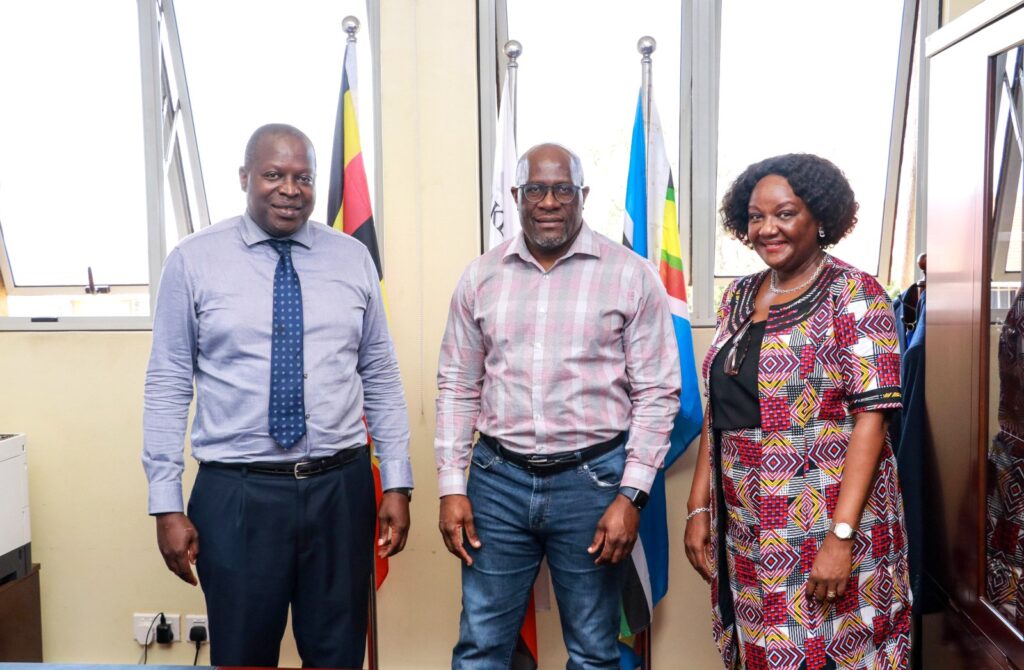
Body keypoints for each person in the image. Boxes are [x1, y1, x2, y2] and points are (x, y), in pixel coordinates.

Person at [142, 123, 412, 668]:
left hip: (340, 489)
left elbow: (379, 370)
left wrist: (398, 480)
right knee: (243, 656)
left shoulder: (352, 258)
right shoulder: (193, 260)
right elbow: (168, 382)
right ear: (245, 177)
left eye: (303, 177)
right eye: (273, 175)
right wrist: (165, 501)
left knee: (337, 656)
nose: (290, 189)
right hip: (237, 494)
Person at [435, 143, 681, 670]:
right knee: (480, 646)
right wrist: (452, 487)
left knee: (594, 651)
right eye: (536, 189)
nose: (549, 201)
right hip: (496, 483)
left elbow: (658, 393)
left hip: (593, 485)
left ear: (583, 196)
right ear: (516, 195)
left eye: (562, 189)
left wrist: (631, 497)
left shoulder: (630, 275)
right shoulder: (480, 277)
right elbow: (457, 385)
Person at [684, 154, 911, 669]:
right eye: (756, 217)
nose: (768, 229)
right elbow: (717, 413)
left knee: (837, 651)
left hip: (826, 518)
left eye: (785, 214)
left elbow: (872, 421)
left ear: (820, 217)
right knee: (763, 651)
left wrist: (841, 537)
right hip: (746, 523)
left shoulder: (854, 294)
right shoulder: (739, 295)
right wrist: (700, 506)